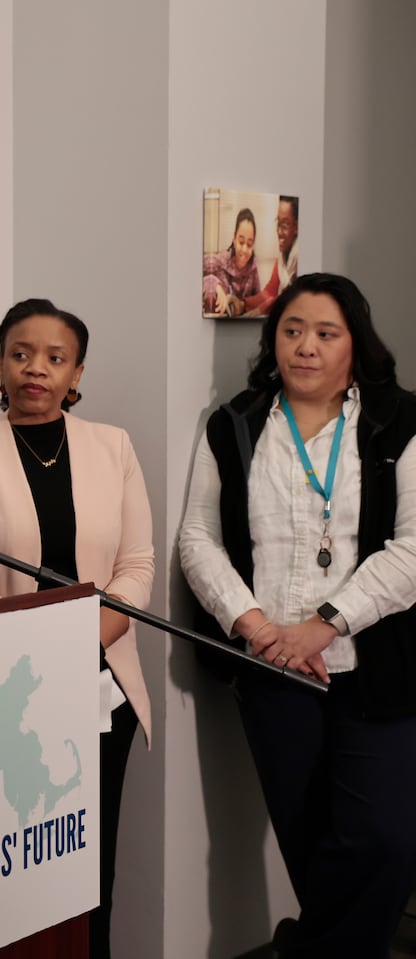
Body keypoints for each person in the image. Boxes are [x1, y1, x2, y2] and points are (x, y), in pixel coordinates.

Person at [179, 273, 416, 956]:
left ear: (355, 345)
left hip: (377, 665)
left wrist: (326, 623)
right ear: (272, 339)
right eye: (291, 330)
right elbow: (198, 539)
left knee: (387, 837)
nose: (304, 347)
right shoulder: (235, 422)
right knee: (312, 842)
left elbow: (411, 545)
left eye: (324, 333)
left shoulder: (400, 419)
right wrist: (257, 628)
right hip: (272, 669)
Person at [0, 299, 154, 959]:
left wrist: (89, 637)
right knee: (14, 867)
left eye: (55, 357)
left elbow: (137, 563)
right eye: (21, 353)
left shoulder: (112, 445)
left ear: (77, 371)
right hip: (8, 683)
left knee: (90, 863)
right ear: (1, 362)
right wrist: (37, 643)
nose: (36, 368)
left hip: (101, 678)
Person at [242, 195, 300, 317]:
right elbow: (269, 293)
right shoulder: (281, 259)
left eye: (284, 225)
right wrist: (243, 304)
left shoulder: (300, 260)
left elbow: (287, 298)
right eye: (278, 223)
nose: (279, 232)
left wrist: (259, 310)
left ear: (297, 227)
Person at [203, 206, 262, 316]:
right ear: (234, 238)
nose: (244, 250)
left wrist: (242, 305)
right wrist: (215, 284)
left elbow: (259, 302)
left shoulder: (253, 269)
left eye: (249, 244)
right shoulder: (221, 261)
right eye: (241, 242)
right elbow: (196, 270)